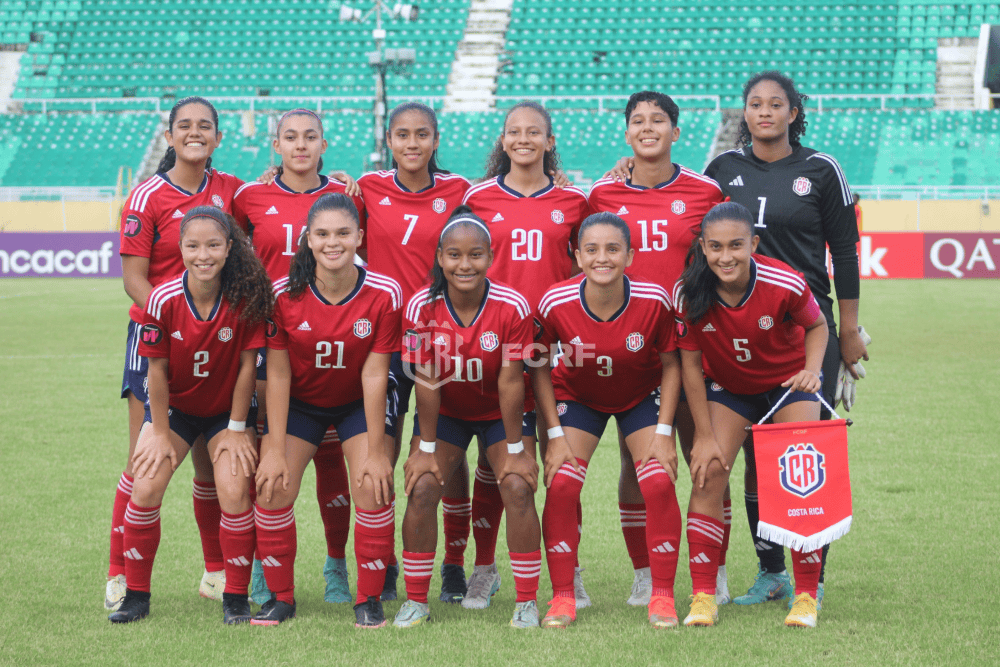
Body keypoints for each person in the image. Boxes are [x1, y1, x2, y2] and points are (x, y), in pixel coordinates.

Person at [703, 71, 869, 607]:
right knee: (753, 452)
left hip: (805, 331)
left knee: (801, 454)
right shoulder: (722, 169)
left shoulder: (822, 170)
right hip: (737, 332)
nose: (765, 112)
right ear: (744, 113)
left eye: (777, 104)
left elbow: (844, 252)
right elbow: (689, 219)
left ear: (795, 112)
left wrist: (849, 332)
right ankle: (771, 569)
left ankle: (811, 581)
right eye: (755, 104)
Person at [591, 90, 725, 605]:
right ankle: (645, 571)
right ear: (626, 133)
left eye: (659, 120)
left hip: (693, 349)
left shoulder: (704, 192)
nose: (648, 128)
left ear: (676, 130)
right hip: (627, 349)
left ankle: (713, 570)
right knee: (636, 463)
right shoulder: (601, 195)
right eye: (638, 121)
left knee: (705, 459)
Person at [110, 96, 244, 610]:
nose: (194, 133)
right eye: (184, 126)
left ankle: (216, 572)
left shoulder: (231, 189)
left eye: (204, 126)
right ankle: (118, 573)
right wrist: (180, 319)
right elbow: (133, 279)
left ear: (217, 136)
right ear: (169, 136)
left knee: (213, 467)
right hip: (158, 340)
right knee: (145, 457)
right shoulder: (146, 196)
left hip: (219, 338)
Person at [109, 206, 273, 624]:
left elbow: (246, 368)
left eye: (214, 245)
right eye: (193, 245)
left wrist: (238, 429)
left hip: (225, 414)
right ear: (180, 248)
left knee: (234, 490)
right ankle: (136, 595)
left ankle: (235, 597)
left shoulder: (244, 298)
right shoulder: (162, 298)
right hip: (175, 411)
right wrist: (159, 431)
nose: (204, 254)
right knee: (144, 487)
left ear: (229, 248)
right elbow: (157, 372)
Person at [460, 100, 592, 610]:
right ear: (503, 139)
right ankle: (485, 568)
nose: (523, 140)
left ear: (549, 141)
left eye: (533, 132)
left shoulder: (575, 202)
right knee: (496, 467)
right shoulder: (478, 198)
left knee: (562, 466)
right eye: (514, 132)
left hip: (557, 349)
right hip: (496, 351)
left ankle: (569, 567)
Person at [232, 108, 366, 605]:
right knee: (267, 454)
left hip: (327, 343)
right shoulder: (250, 196)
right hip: (267, 343)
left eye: (310, 137)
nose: (301, 145)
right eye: (290, 137)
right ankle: (266, 569)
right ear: (277, 146)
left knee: (333, 459)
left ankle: (337, 564)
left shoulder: (347, 195)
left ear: (324, 143)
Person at [674, 202, 829, 628]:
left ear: (754, 244)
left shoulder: (783, 280)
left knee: (800, 480)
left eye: (737, 246)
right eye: (717, 246)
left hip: (785, 388)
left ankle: (807, 595)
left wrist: (811, 371)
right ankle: (704, 595)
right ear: (703, 247)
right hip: (730, 390)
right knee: (707, 471)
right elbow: (689, 366)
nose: (727, 256)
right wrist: (703, 435)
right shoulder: (688, 291)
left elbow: (817, 326)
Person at [253, 193, 400, 628]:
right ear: (308, 239)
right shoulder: (283, 293)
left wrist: (376, 450)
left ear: (359, 236)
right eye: (322, 234)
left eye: (342, 233)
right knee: (272, 485)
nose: (332, 243)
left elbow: (375, 376)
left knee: (373, 485)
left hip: (357, 403)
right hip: (301, 404)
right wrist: (275, 448)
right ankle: (281, 598)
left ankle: (368, 599)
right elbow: (277, 376)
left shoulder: (382, 292)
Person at [532, 212, 682, 629]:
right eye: (592, 250)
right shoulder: (554, 301)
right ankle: (564, 596)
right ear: (577, 256)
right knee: (562, 482)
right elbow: (539, 366)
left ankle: (662, 595)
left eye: (613, 249)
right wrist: (555, 434)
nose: (603, 258)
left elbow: (672, 365)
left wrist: (665, 432)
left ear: (630, 255)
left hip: (639, 396)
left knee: (657, 478)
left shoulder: (655, 299)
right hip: (579, 397)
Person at [392, 208, 541, 629]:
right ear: (440, 257)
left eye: (475, 255)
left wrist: (515, 450)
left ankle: (526, 601)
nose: (464, 265)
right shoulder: (423, 305)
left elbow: (512, 381)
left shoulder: (511, 305)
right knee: (422, 486)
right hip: (449, 413)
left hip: (500, 413)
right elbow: (426, 379)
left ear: (490, 257)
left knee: (517, 484)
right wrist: (424, 448)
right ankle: (417, 600)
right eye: (454, 255)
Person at [356, 102, 473, 602]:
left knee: (447, 451)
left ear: (436, 139)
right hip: (383, 340)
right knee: (381, 448)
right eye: (402, 134)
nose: (411, 143)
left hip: (439, 339)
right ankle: (382, 562)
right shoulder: (365, 188)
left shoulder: (460, 191)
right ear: (389, 139)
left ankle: (452, 563)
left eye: (421, 134)